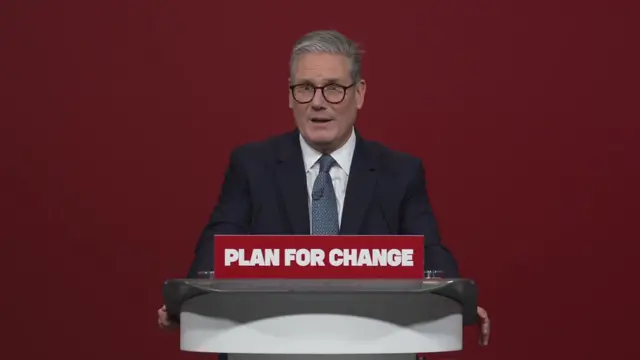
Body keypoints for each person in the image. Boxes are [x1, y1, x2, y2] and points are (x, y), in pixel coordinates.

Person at [157, 29, 490, 346]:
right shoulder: (252, 166)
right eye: (305, 88)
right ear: (290, 96)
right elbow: (213, 254)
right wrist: (188, 302)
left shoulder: (399, 173)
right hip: (268, 344)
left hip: (371, 345)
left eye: (333, 88)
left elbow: (430, 256)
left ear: (359, 93)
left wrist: (455, 304)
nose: (318, 102)